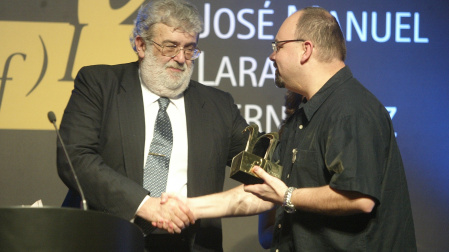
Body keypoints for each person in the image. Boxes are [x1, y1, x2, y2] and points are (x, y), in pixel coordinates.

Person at [174, 6, 417, 251]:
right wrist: (188, 207)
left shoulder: (351, 109)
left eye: (278, 47)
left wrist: (289, 196)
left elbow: (359, 197)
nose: (272, 57)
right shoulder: (302, 115)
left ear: (306, 50)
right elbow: (265, 192)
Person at [56, 0, 250, 251]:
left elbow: (261, 165)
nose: (181, 58)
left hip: (187, 243)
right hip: (108, 237)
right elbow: (75, 157)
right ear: (141, 45)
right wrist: (144, 204)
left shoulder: (218, 106)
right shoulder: (99, 85)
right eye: (170, 46)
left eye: (190, 49)